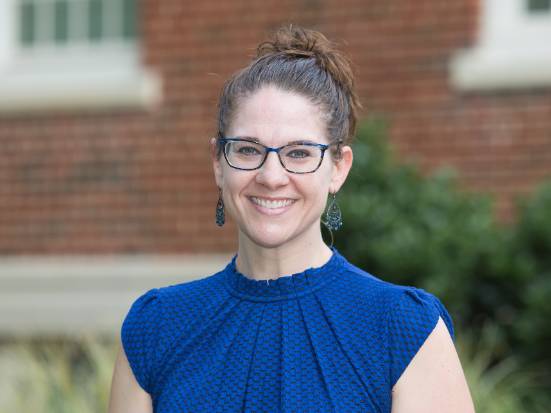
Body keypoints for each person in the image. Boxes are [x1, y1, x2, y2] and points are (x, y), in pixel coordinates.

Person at [108, 25, 475, 413]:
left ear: (338, 168)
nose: (270, 176)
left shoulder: (403, 331)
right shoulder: (156, 328)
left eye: (299, 153)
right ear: (218, 162)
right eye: (248, 150)